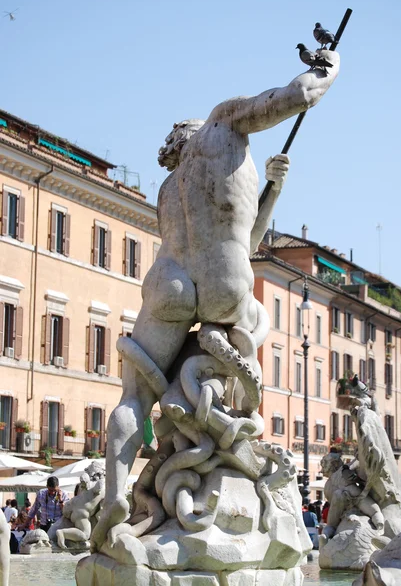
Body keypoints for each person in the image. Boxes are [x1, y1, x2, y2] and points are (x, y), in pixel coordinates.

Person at [91, 48, 340, 552]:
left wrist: (272, 188)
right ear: (199, 129)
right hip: (225, 282)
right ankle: (226, 405)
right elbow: (298, 95)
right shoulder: (224, 123)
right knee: (263, 320)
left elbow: (238, 235)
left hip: (170, 283)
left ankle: (116, 496)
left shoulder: (167, 188)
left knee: (134, 398)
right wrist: (330, 66)